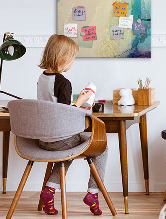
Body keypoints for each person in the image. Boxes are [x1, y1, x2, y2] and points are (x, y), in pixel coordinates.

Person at [37, 34, 107, 216]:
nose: (73, 62)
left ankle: (49, 191)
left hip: (43, 139)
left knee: (68, 151)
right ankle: (93, 193)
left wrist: (76, 103)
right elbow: (64, 114)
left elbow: (54, 107)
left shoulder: (42, 78)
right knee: (102, 147)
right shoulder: (63, 82)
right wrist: (81, 102)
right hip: (60, 139)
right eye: (73, 57)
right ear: (63, 58)